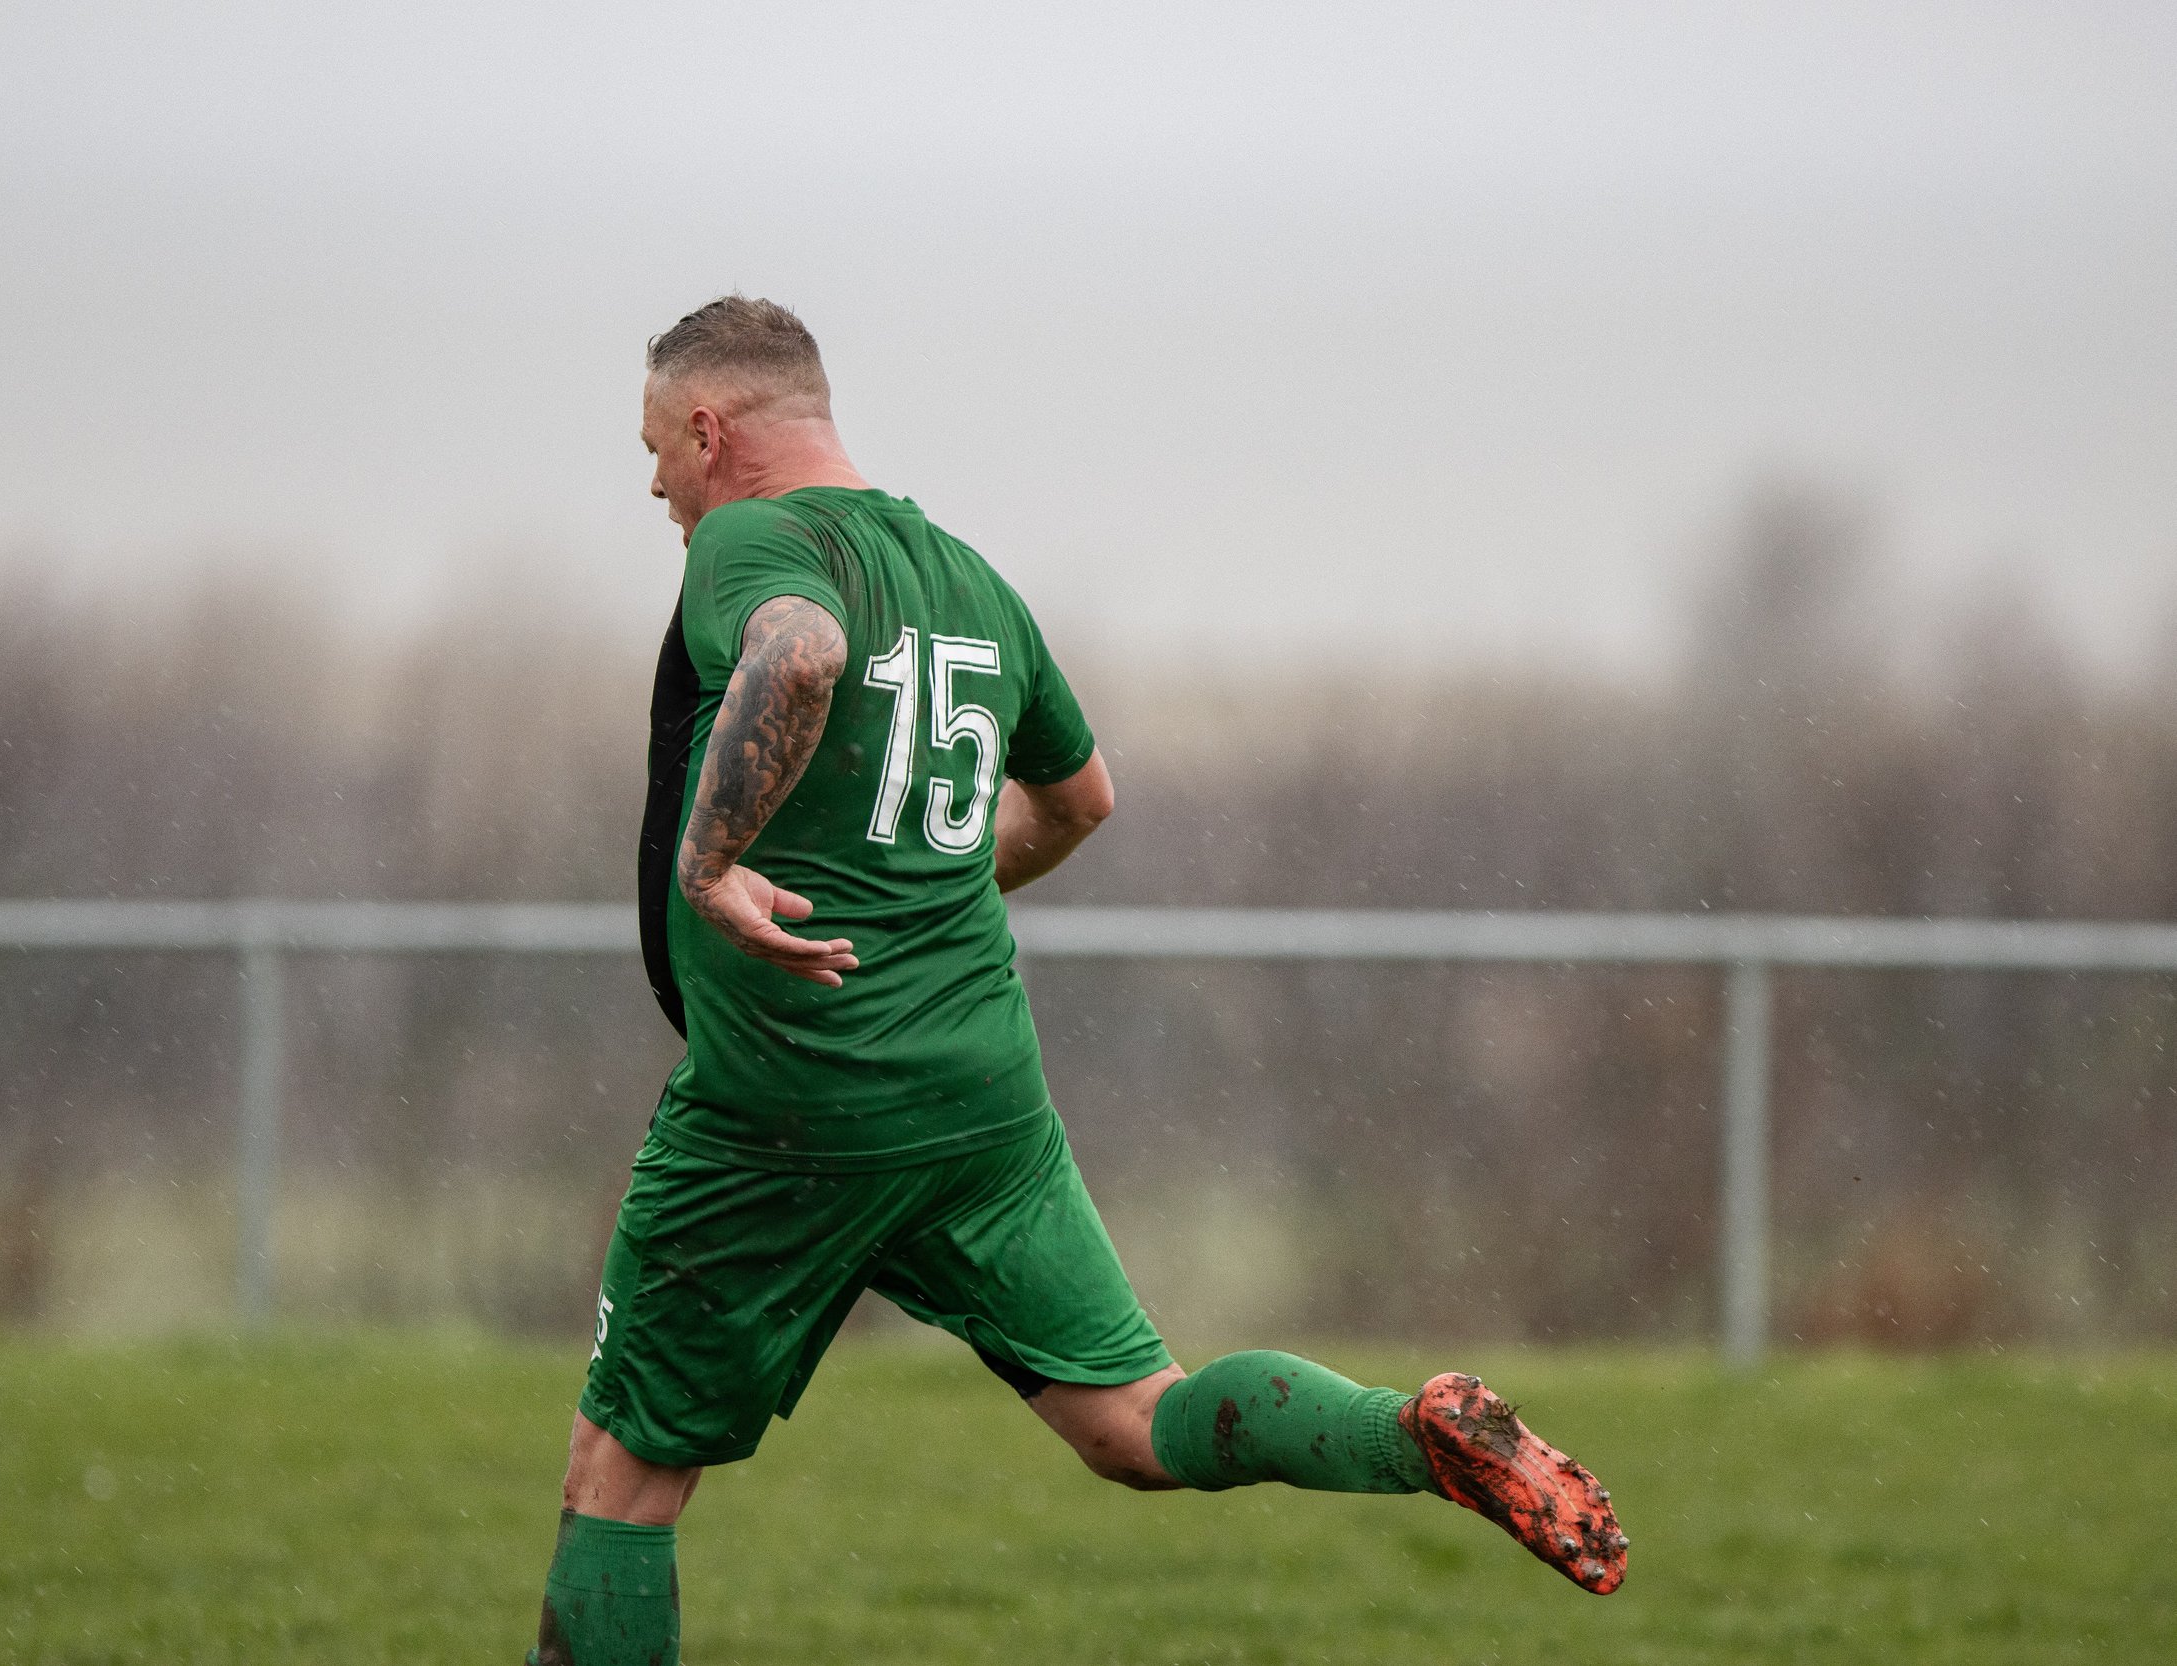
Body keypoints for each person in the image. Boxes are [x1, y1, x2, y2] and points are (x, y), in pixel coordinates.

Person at [528, 297, 1628, 1666]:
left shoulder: (758, 541)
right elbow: (1079, 797)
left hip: (788, 1111)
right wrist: (926, 886)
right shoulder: (975, 583)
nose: (655, 487)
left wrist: (711, 863)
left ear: (712, 428)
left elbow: (799, 650)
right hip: (980, 1102)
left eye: (655, 451)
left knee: (618, 1477)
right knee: (1138, 1422)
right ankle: (1410, 1433)